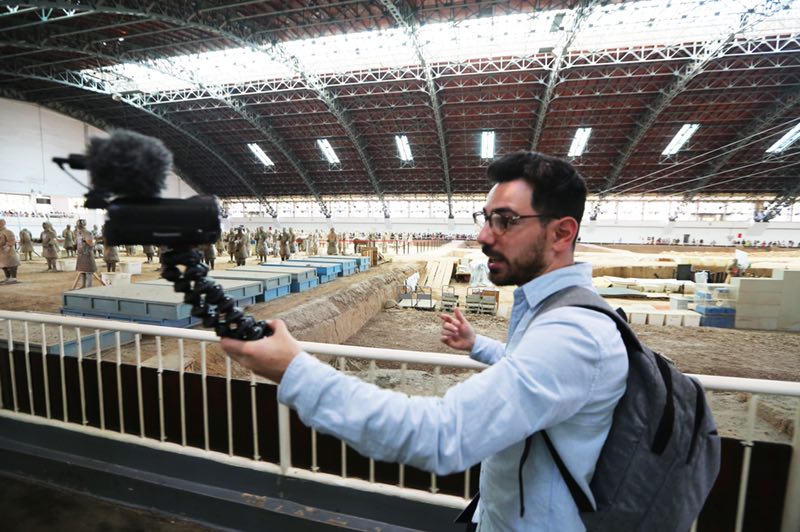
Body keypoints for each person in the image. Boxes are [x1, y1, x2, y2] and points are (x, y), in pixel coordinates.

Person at [221, 151, 628, 530]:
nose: (484, 236)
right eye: (485, 218)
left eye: (505, 220)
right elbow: (528, 369)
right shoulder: (552, 311)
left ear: (561, 233)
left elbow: (440, 435)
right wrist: (477, 344)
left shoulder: (574, 333)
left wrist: (294, 370)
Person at [75, 219, 97, 288]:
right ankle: (83, 285)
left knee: (88, 272)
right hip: (81, 254)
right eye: (78, 224)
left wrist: (90, 242)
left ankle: (88, 287)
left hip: (87, 254)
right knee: (82, 271)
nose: (78, 225)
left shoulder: (87, 233)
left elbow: (91, 244)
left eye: (79, 224)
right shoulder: (79, 233)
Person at [0, 219, 21, 284]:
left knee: (11, 265)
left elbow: (12, 240)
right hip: (1, 252)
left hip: (8, 252)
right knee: (4, 265)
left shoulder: (8, 231)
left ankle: (13, 278)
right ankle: (8, 277)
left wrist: (6, 247)